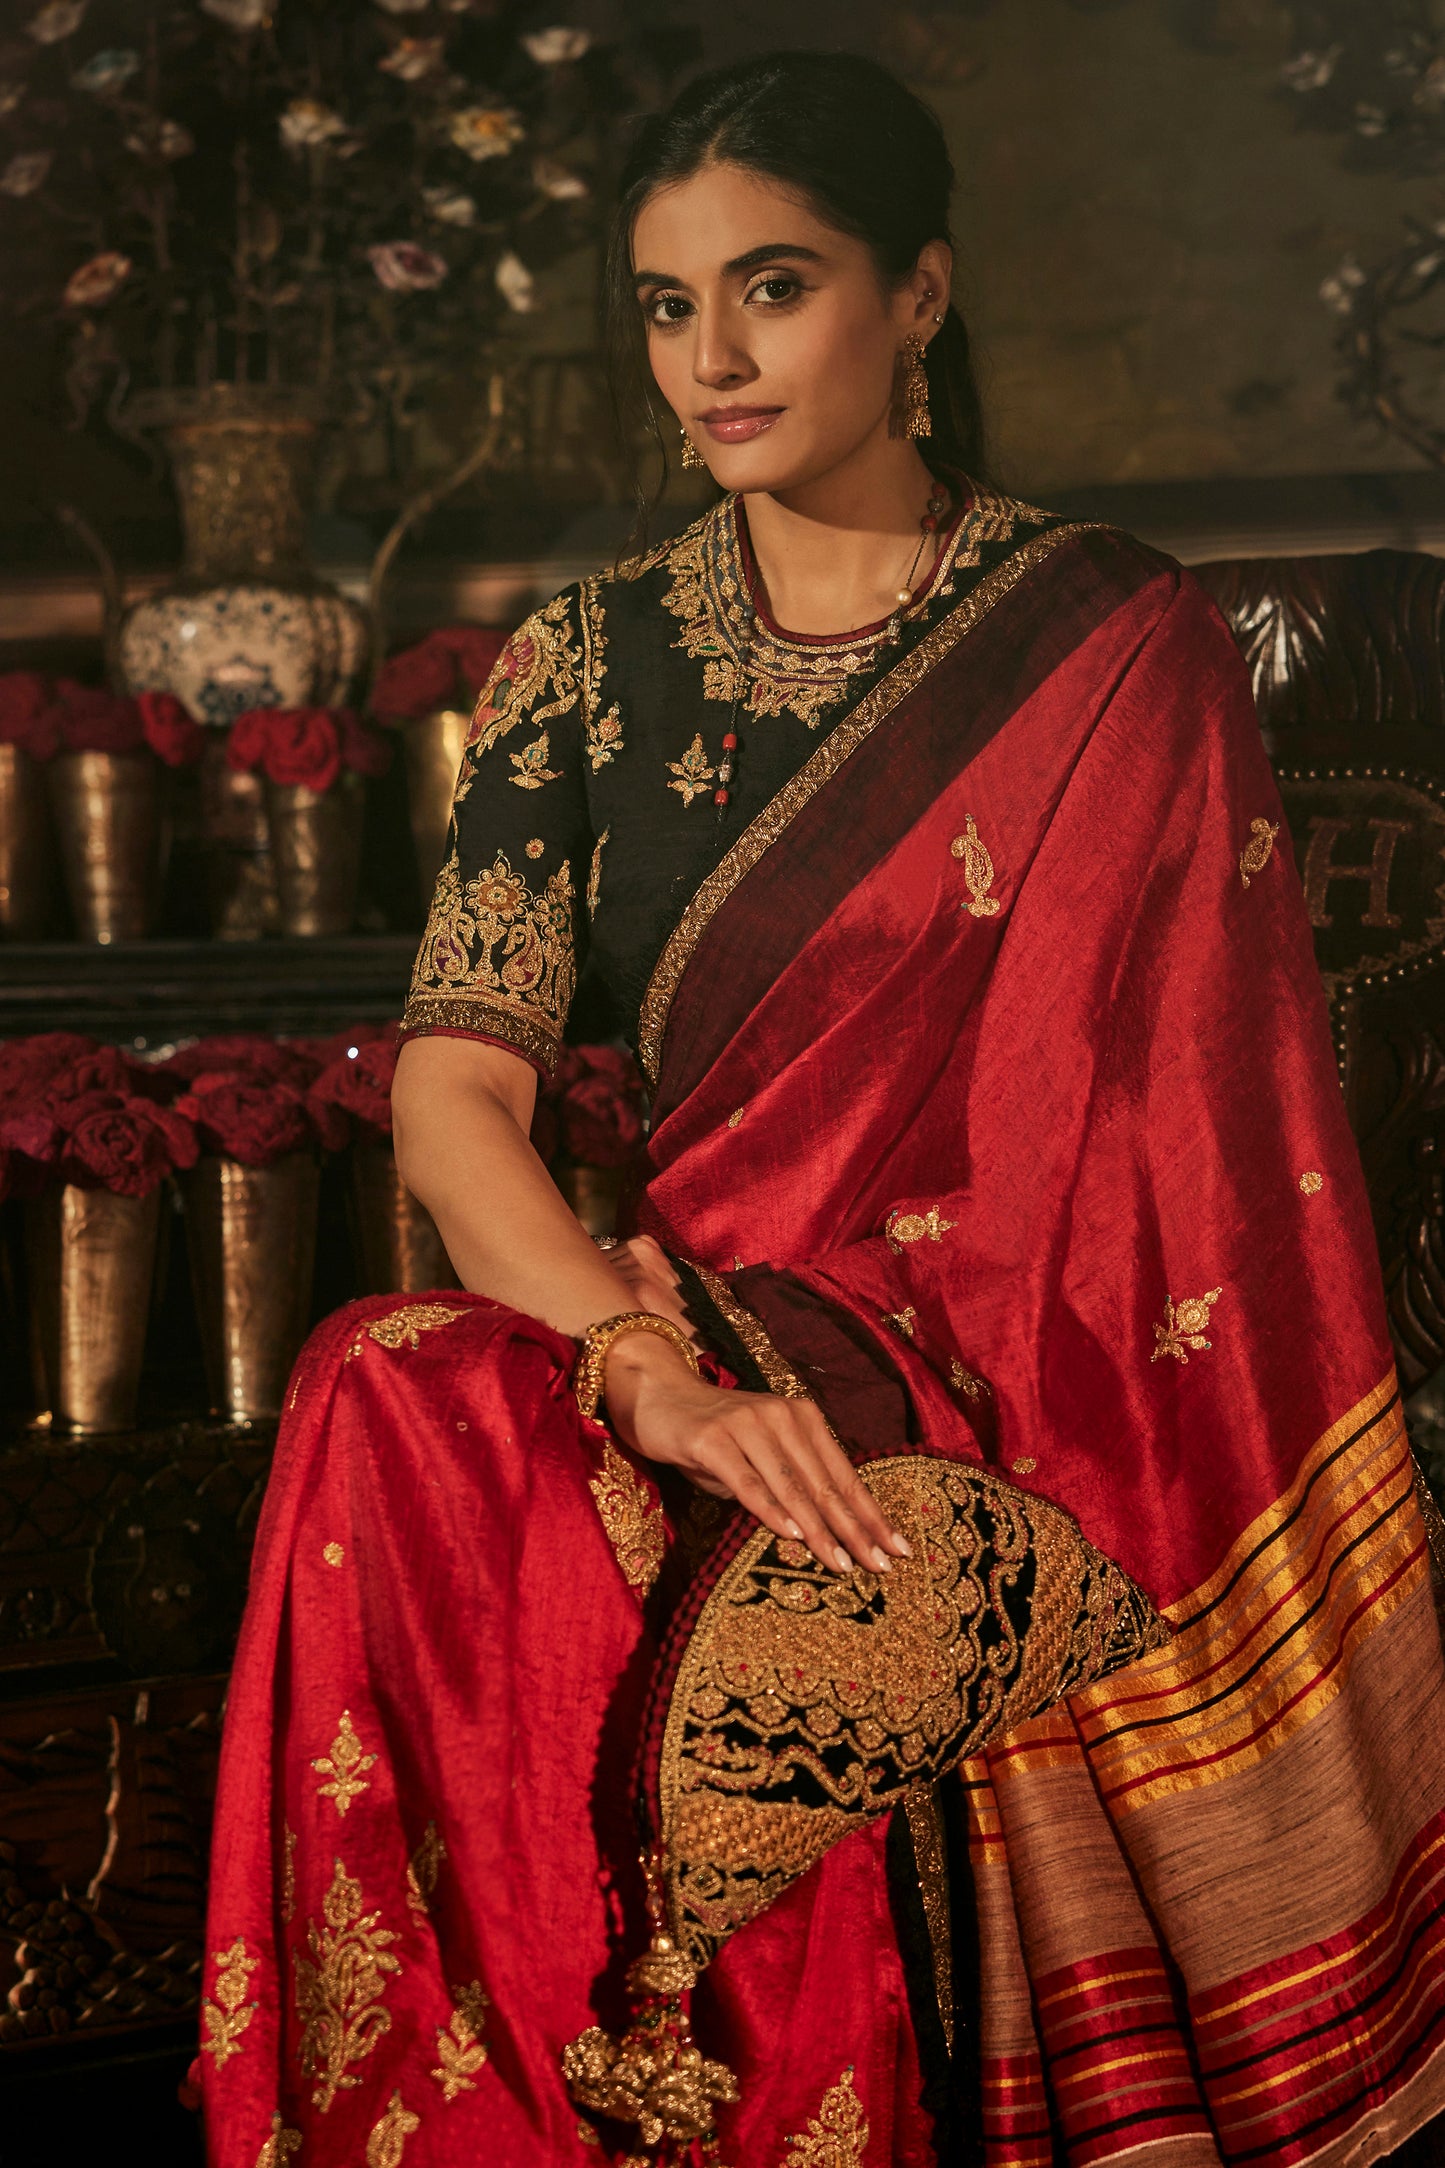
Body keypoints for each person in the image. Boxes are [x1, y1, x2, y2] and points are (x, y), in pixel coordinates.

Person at [201, 50, 1445, 2168]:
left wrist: (805, 1357)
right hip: (695, 1320)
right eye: (669, 305)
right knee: (380, 1387)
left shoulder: (1117, 646)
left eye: (770, 287)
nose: (713, 357)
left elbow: (1156, 1144)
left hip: (1006, 1359)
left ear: (924, 293)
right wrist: (646, 1361)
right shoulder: (587, 662)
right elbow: (451, 1092)